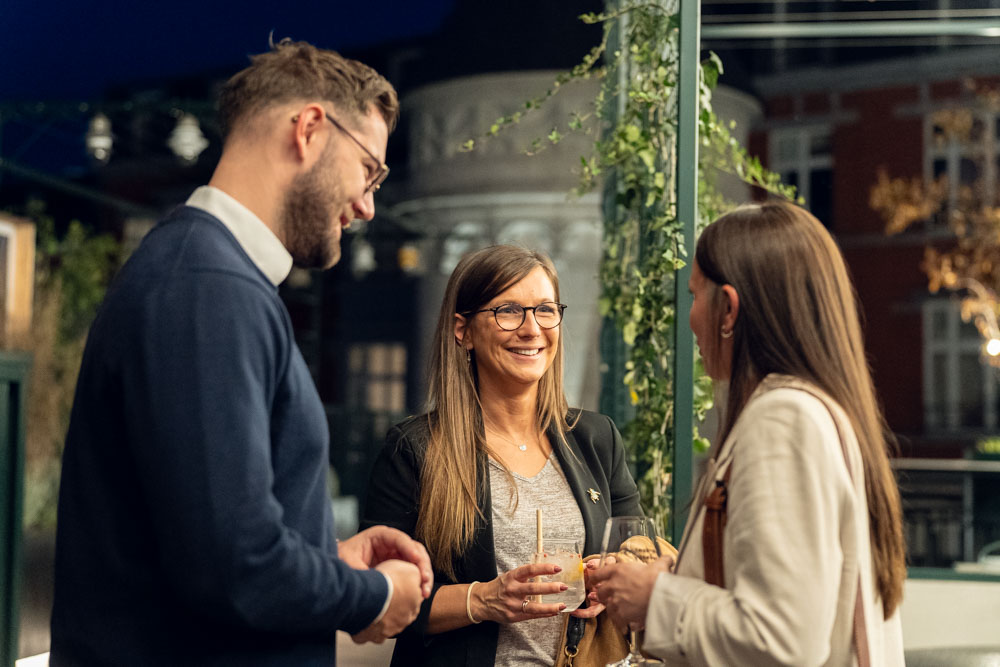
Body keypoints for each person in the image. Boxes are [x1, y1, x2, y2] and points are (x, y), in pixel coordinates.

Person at [49, 40, 432, 666]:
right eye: (369, 170)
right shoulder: (207, 289)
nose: (367, 205)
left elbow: (197, 538)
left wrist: (324, 557)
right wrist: (370, 594)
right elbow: (237, 568)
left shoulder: (205, 276)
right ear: (309, 129)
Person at [590, 201, 907, 665]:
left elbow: (781, 639)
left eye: (694, 295)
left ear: (729, 310)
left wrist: (659, 596)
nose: (690, 317)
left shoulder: (783, 420)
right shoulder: (819, 410)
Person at [360, 244, 643, 667]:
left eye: (545, 310)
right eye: (508, 310)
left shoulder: (595, 437)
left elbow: (636, 545)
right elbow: (378, 598)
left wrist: (613, 577)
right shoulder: (414, 448)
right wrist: (486, 599)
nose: (532, 329)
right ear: (464, 331)